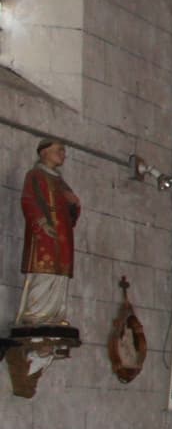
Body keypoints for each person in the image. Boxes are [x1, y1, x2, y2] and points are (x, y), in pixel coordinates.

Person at [17, 138, 80, 330]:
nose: (63, 154)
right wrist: (42, 222)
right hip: (44, 233)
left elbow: (73, 208)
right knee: (44, 272)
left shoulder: (61, 182)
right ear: (44, 152)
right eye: (59, 150)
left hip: (63, 234)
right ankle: (36, 315)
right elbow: (28, 200)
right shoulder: (35, 175)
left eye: (63, 151)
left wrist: (74, 204)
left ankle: (54, 315)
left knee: (60, 274)